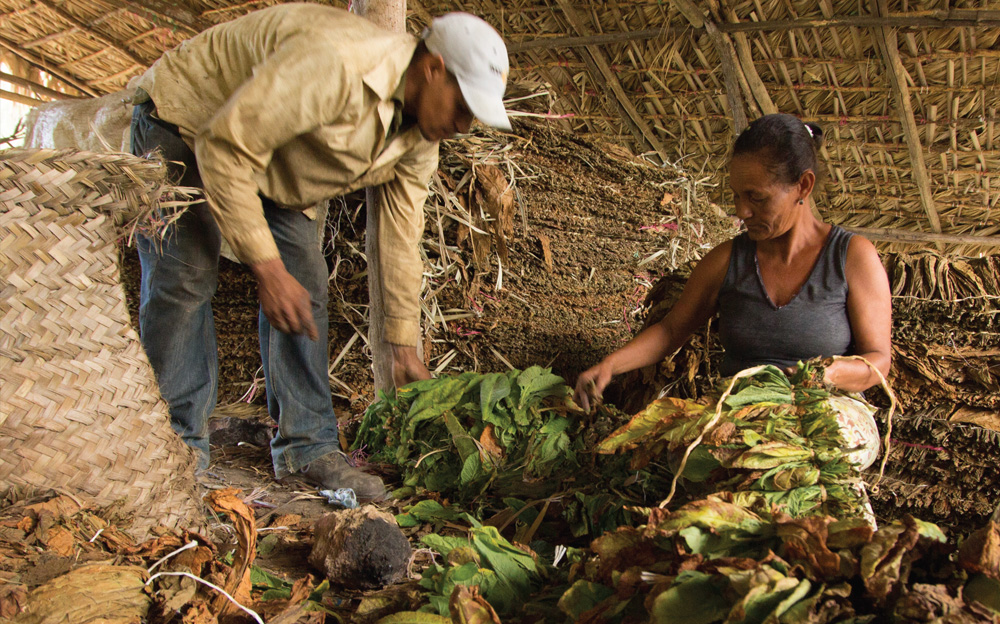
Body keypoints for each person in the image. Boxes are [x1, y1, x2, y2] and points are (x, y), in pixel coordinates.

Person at [129, 5, 511, 499]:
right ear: (433, 67)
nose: (464, 125)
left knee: (305, 287)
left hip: (277, 162)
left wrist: (402, 346)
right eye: (463, 107)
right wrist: (265, 268)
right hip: (189, 121)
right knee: (185, 277)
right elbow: (225, 149)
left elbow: (401, 235)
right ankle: (177, 448)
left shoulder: (421, 140)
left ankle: (307, 448)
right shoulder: (337, 64)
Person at [574, 113, 891, 410]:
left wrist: (823, 373)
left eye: (756, 197)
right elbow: (671, 331)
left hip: (823, 418)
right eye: (736, 196)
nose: (742, 212)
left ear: (803, 186)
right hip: (738, 417)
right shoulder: (726, 261)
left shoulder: (851, 257)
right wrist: (610, 365)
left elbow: (878, 360)